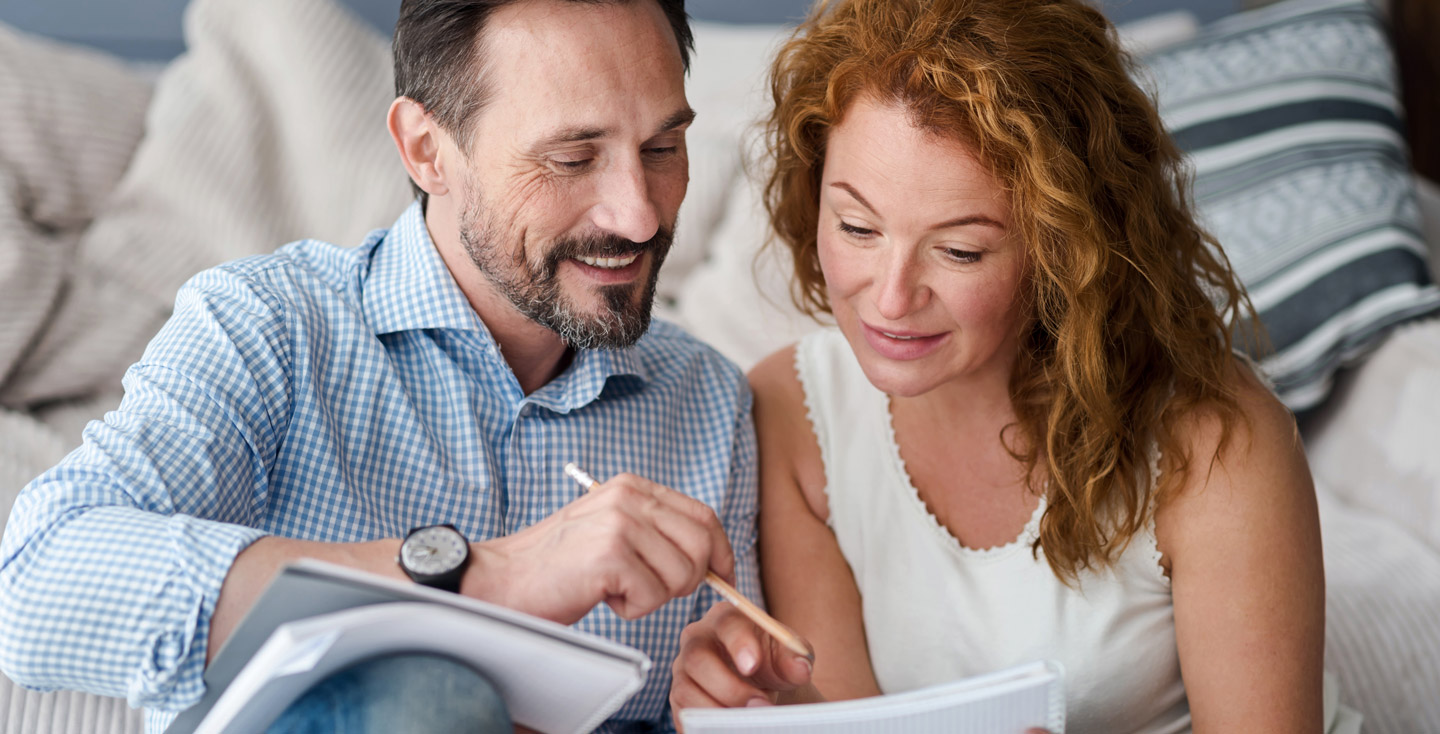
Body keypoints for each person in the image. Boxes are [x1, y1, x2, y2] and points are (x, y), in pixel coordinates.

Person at [0, 1, 759, 732]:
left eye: (663, 149)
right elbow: (37, 585)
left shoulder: (708, 402)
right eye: (572, 157)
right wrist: (479, 578)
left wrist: (718, 708)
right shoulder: (271, 327)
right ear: (427, 151)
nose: (639, 215)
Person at [669, 0, 1337, 731]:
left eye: (960, 251)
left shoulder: (1217, 442)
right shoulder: (793, 410)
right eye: (857, 227)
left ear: (1065, 252)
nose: (890, 299)